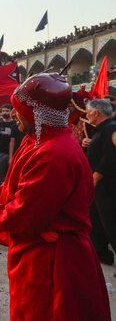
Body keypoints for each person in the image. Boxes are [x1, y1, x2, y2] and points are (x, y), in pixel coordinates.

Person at [0, 73, 110, 320]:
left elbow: (27, 211)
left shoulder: (53, 154)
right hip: (35, 256)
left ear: (39, 115)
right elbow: (16, 190)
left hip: (54, 263)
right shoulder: (35, 140)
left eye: (19, 110)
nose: (14, 116)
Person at [83, 99, 116, 265]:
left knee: (111, 223)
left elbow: (110, 158)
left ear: (96, 112)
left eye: (88, 111)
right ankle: (101, 254)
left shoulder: (111, 128)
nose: (86, 114)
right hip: (98, 187)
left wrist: (94, 179)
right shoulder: (101, 130)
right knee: (96, 222)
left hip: (107, 187)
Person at [0, 104, 16, 184]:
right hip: (0, 152)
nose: (5, 112)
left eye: (7, 111)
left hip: (13, 153)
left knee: (11, 175)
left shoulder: (15, 124)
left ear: (11, 112)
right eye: (3, 111)